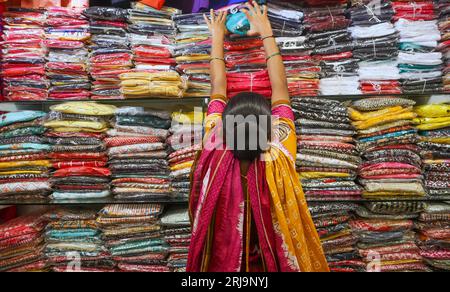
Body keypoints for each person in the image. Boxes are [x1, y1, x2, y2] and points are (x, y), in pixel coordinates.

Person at [187, 1, 329, 272]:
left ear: (227, 127)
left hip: (224, 262)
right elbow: (281, 90)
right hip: (268, 261)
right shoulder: (278, 152)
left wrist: (217, 36)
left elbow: (218, 87)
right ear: (269, 127)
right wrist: (266, 31)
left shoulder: (215, 145)